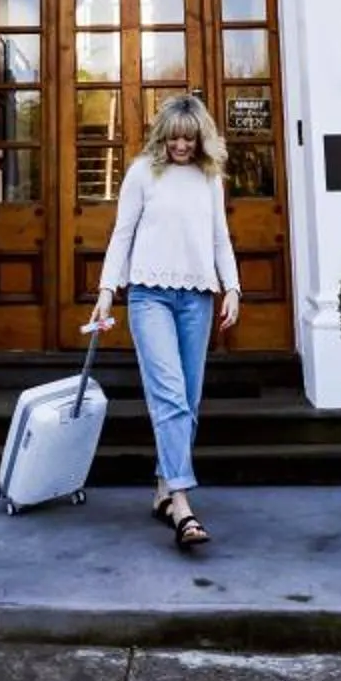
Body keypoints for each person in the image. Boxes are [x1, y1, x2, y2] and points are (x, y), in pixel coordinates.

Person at [86, 93, 240, 550]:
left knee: (188, 400)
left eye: (189, 139)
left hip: (197, 297)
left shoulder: (209, 178)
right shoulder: (142, 173)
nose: (181, 146)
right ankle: (182, 505)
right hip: (148, 295)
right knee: (169, 395)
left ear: (201, 138)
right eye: (174, 138)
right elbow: (122, 235)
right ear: (162, 136)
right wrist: (106, 292)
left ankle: (162, 489)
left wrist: (232, 288)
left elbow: (220, 237)